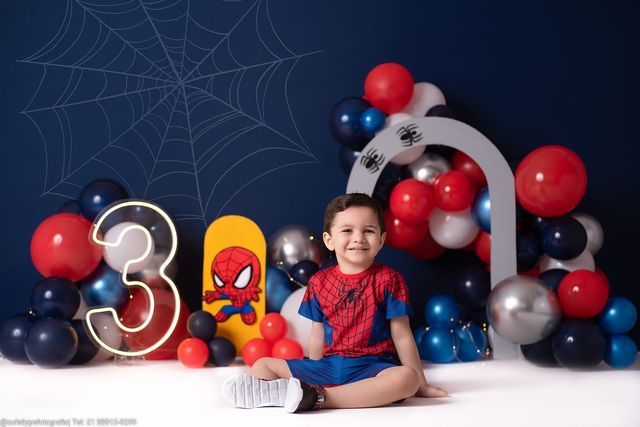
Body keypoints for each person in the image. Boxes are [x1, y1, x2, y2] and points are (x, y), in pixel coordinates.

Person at [221, 193, 449, 413]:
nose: (358, 238)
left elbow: (402, 335)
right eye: (347, 230)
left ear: (381, 240)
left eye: (368, 231)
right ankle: (290, 393)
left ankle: (320, 398)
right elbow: (317, 333)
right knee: (262, 365)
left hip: (372, 368)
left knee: (406, 379)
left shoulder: (389, 280)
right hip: (329, 366)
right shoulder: (319, 282)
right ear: (329, 240)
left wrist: (422, 384)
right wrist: (312, 369)